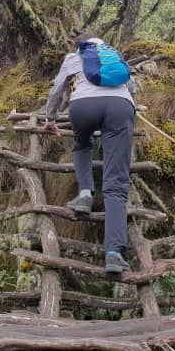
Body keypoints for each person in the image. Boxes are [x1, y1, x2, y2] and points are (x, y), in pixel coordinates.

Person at [44, 33, 136, 274]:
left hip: (83, 106)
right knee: (116, 184)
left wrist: (50, 119)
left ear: (81, 46)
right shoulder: (113, 54)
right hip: (120, 107)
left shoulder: (73, 58)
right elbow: (131, 84)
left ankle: (85, 193)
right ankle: (114, 253)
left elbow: (57, 89)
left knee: (82, 143)